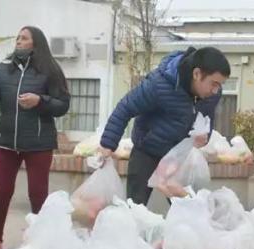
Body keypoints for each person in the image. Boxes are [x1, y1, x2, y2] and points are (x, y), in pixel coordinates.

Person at [0, 26, 71, 249]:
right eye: (18, 38)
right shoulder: (4, 68)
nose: (18, 41)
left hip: (38, 143)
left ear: (35, 43)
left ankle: (40, 243)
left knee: (38, 193)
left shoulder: (50, 69)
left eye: (24, 38)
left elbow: (62, 105)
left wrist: (40, 100)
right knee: (2, 191)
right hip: (7, 141)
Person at [98, 46, 231, 206]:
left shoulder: (210, 94)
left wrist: (205, 136)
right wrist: (108, 143)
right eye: (214, 84)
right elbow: (125, 107)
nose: (216, 91)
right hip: (147, 150)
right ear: (197, 74)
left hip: (178, 155)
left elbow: (206, 118)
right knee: (136, 206)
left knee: (189, 206)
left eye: (220, 85)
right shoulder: (159, 85)